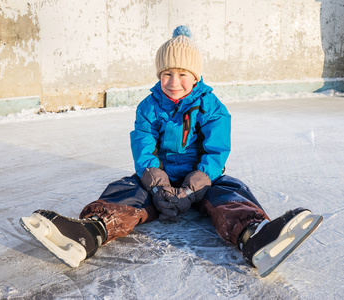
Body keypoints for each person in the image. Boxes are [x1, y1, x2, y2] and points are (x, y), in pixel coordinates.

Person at [20, 26, 322, 277]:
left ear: (196, 76)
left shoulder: (212, 107)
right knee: (125, 189)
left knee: (231, 190)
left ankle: (253, 236)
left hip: (202, 178)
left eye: (182, 74)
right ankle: (90, 231)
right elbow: (142, 144)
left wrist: (196, 185)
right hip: (159, 179)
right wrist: (157, 182)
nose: (173, 82)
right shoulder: (149, 106)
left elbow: (217, 151)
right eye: (166, 73)